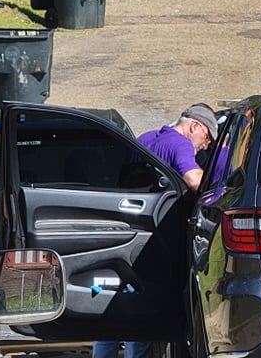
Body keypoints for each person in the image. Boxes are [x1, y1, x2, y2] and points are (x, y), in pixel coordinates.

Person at [92, 104, 218, 358]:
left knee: (112, 312)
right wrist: (228, 190)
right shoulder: (180, 144)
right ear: (194, 126)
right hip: (154, 238)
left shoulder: (146, 138)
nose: (205, 147)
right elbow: (195, 181)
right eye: (207, 138)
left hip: (126, 233)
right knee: (142, 317)